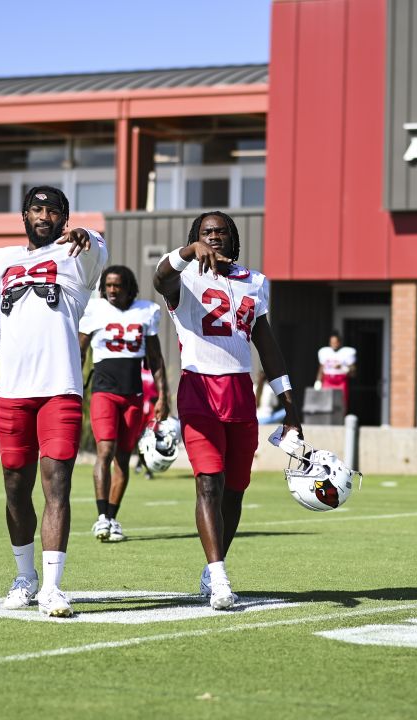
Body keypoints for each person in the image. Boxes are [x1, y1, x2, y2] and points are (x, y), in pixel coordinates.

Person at [0, 186, 107, 617]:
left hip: (60, 390)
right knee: (15, 489)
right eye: (37, 208)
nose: (44, 215)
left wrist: (87, 232)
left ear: (64, 218)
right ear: (24, 214)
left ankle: (52, 587)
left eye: (54, 210)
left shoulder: (78, 254)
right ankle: (25, 576)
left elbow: (98, 247)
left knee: (58, 486)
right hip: (13, 393)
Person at [153, 210, 302, 611]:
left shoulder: (255, 281)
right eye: (206, 232)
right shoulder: (184, 277)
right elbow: (159, 277)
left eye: (220, 231)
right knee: (209, 481)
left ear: (232, 238)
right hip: (199, 387)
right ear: (196, 237)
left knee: (235, 490)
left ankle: (212, 565)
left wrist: (289, 405)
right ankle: (219, 576)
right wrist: (187, 251)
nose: (214, 237)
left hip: (239, 392)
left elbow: (267, 346)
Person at [78, 265, 169, 543]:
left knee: (123, 457)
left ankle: (113, 517)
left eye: (117, 285)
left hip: (134, 394)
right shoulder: (94, 310)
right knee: (105, 451)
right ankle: (101, 516)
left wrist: (164, 396)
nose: (112, 290)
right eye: (108, 285)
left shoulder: (147, 311)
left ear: (129, 286)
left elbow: (155, 358)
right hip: (104, 391)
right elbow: (79, 351)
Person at [315, 330, 356, 412]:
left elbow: (353, 370)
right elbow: (321, 368)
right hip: (328, 380)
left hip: (341, 381)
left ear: (339, 342)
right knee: (325, 401)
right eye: (332, 342)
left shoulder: (346, 353)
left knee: (341, 402)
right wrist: (318, 381)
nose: (334, 344)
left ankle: (340, 419)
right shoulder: (325, 352)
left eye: (336, 342)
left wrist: (342, 366)